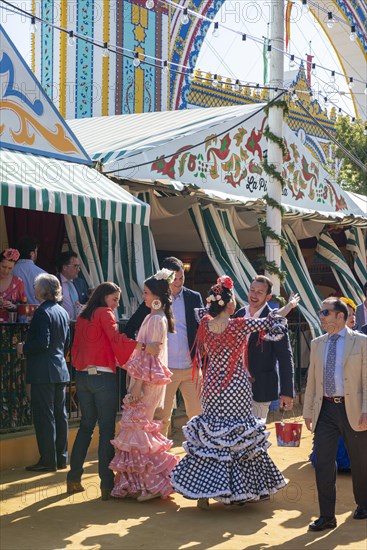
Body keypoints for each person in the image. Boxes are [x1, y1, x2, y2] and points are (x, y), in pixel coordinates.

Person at [170, 276, 299, 509]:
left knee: (211, 435)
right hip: (236, 385)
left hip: (211, 385)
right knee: (240, 436)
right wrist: (289, 307)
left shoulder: (204, 323)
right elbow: (270, 321)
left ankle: (203, 493)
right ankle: (242, 489)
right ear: (230, 306)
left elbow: (203, 313)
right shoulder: (239, 325)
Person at [66, 282, 162, 501]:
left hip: (82, 376)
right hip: (102, 377)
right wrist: (144, 347)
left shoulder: (82, 317)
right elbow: (116, 340)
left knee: (86, 426)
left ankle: (73, 478)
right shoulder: (106, 314)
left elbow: (76, 348)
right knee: (106, 430)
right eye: (115, 299)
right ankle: (106, 485)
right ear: (104, 297)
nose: (116, 304)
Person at [110, 269, 180, 501]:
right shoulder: (156, 317)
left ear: (157, 294)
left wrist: (137, 385)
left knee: (139, 432)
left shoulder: (156, 318)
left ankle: (152, 485)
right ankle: (144, 485)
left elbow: (153, 350)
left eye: (147, 293)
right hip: (145, 378)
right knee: (138, 432)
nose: (145, 297)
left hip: (146, 380)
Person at [303, 297, 367, 531]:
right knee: (323, 462)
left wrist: (366, 410)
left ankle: (364, 503)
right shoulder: (318, 343)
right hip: (326, 409)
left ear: (341, 316)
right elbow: (312, 381)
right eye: (320, 313)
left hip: (354, 408)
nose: (321, 317)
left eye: (325, 313)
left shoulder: (361, 342)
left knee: (361, 461)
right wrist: (308, 411)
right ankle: (327, 515)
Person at [124, 257, 204, 436]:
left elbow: (202, 328)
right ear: (165, 279)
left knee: (198, 415)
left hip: (191, 367)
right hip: (164, 370)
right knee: (161, 417)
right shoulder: (154, 300)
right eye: (174, 279)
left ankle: (201, 459)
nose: (178, 282)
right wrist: (141, 352)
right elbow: (131, 327)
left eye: (181, 278)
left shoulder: (194, 297)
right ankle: (161, 461)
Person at [18, 274, 70, 472]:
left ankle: (48, 459)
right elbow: (66, 343)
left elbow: (42, 342)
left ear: (42, 291)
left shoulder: (42, 312)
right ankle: (61, 457)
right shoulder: (62, 311)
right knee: (60, 414)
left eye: (36, 286)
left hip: (43, 370)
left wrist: (24, 348)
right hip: (59, 368)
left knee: (45, 416)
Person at [234, 275, 294, 423]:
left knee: (256, 435)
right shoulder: (240, 314)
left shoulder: (275, 320)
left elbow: (285, 357)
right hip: (235, 385)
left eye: (260, 292)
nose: (254, 295)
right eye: (252, 290)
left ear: (268, 297)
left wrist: (287, 392)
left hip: (261, 385)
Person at [56, 251, 89, 321]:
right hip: (62, 325)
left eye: (79, 266)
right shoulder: (53, 283)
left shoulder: (81, 283)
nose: (78, 269)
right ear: (65, 267)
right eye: (75, 266)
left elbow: (86, 302)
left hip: (79, 326)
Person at [12, 236, 45, 304]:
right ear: (32, 253)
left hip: (14, 312)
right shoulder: (43, 274)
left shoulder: (9, 271)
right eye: (36, 251)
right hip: (38, 312)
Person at [0, 248, 27, 319]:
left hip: (10, 327)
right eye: (4, 267)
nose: (6, 271)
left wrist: (14, 307)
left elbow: (24, 306)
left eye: (10, 268)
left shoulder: (18, 282)